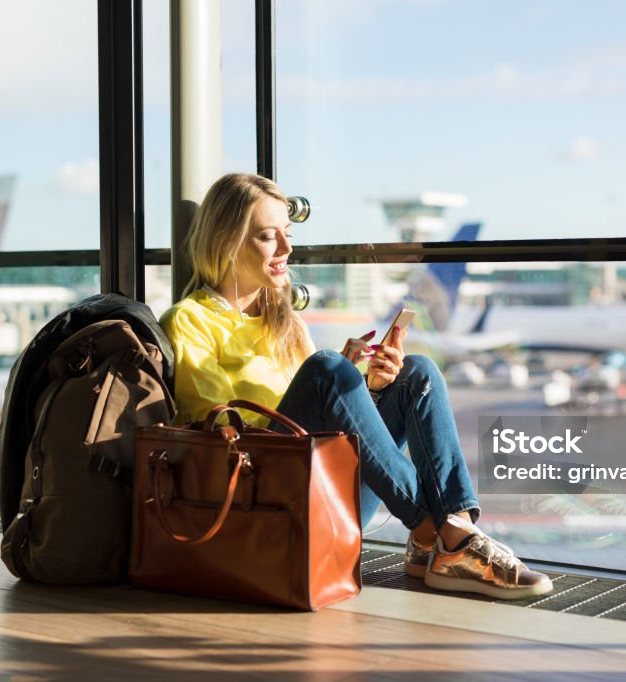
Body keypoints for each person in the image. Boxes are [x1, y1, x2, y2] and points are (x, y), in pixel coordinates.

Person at [160, 173, 552, 600]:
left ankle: (437, 540)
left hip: (317, 484)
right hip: (263, 500)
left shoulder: (284, 323)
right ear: (227, 240)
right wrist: (330, 379)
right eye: (268, 237)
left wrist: (362, 389)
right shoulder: (190, 320)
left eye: (287, 235)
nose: (287, 249)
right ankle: (439, 534)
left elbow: (318, 424)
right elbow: (219, 438)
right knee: (328, 367)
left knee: (416, 374)